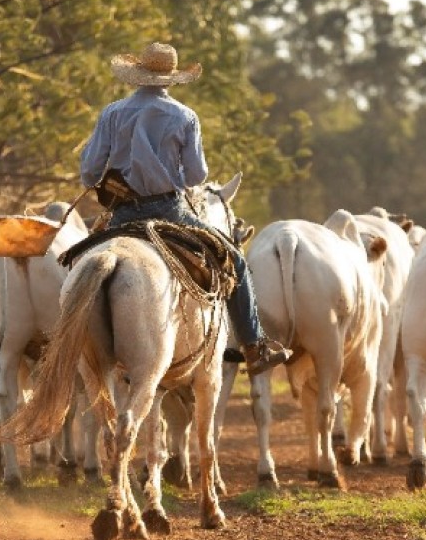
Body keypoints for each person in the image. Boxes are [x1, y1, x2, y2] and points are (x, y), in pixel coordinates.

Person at [79, 42, 291, 376]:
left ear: (137, 74)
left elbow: (90, 172)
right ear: (171, 78)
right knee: (235, 259)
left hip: (122, 214)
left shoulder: (112, 113)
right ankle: (253, 347)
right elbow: (196, 176)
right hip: (169, 211)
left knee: (77, 258)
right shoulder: (184, 116)